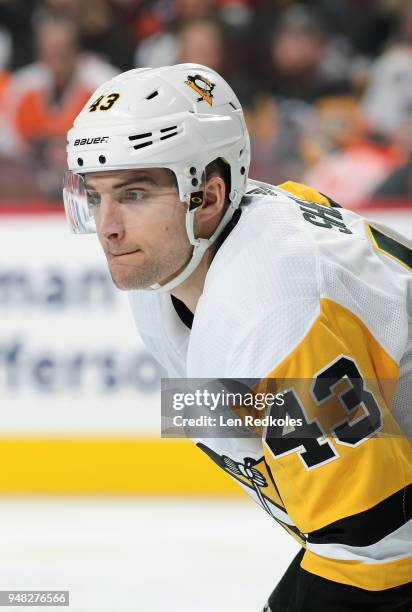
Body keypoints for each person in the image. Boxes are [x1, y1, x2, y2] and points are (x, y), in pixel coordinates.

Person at [63, 63, 412, 611]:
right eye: (95, 195)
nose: (107, 226)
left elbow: (377, 547)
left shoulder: (272, 309)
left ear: (208, 196)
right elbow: (245, 427)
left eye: (132, 195)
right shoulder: (173, 272)